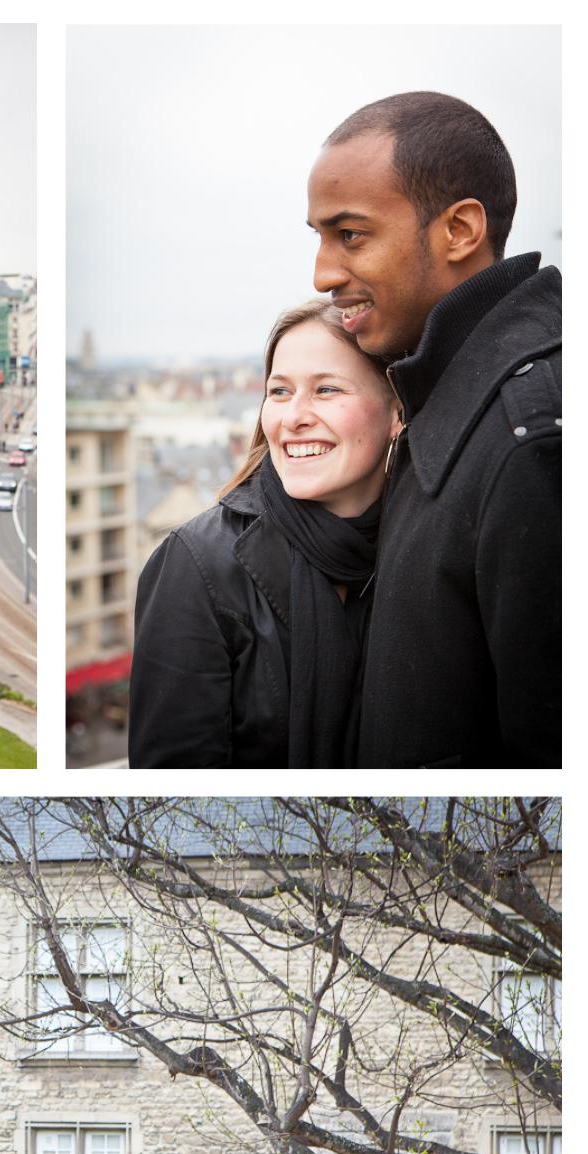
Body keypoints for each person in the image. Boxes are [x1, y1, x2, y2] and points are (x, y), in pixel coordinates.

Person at [306, 91, 560, 766]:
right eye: (321, 238)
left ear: (459, 230)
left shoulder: (533, 440)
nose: (323, 273)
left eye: (351, 234)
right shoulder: (452, 402)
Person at [129, 303, 401, 767]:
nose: (294, 417)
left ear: (397, 410)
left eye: (327, 389)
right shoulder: (196, 565)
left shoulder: (424, 551)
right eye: (279, 392)